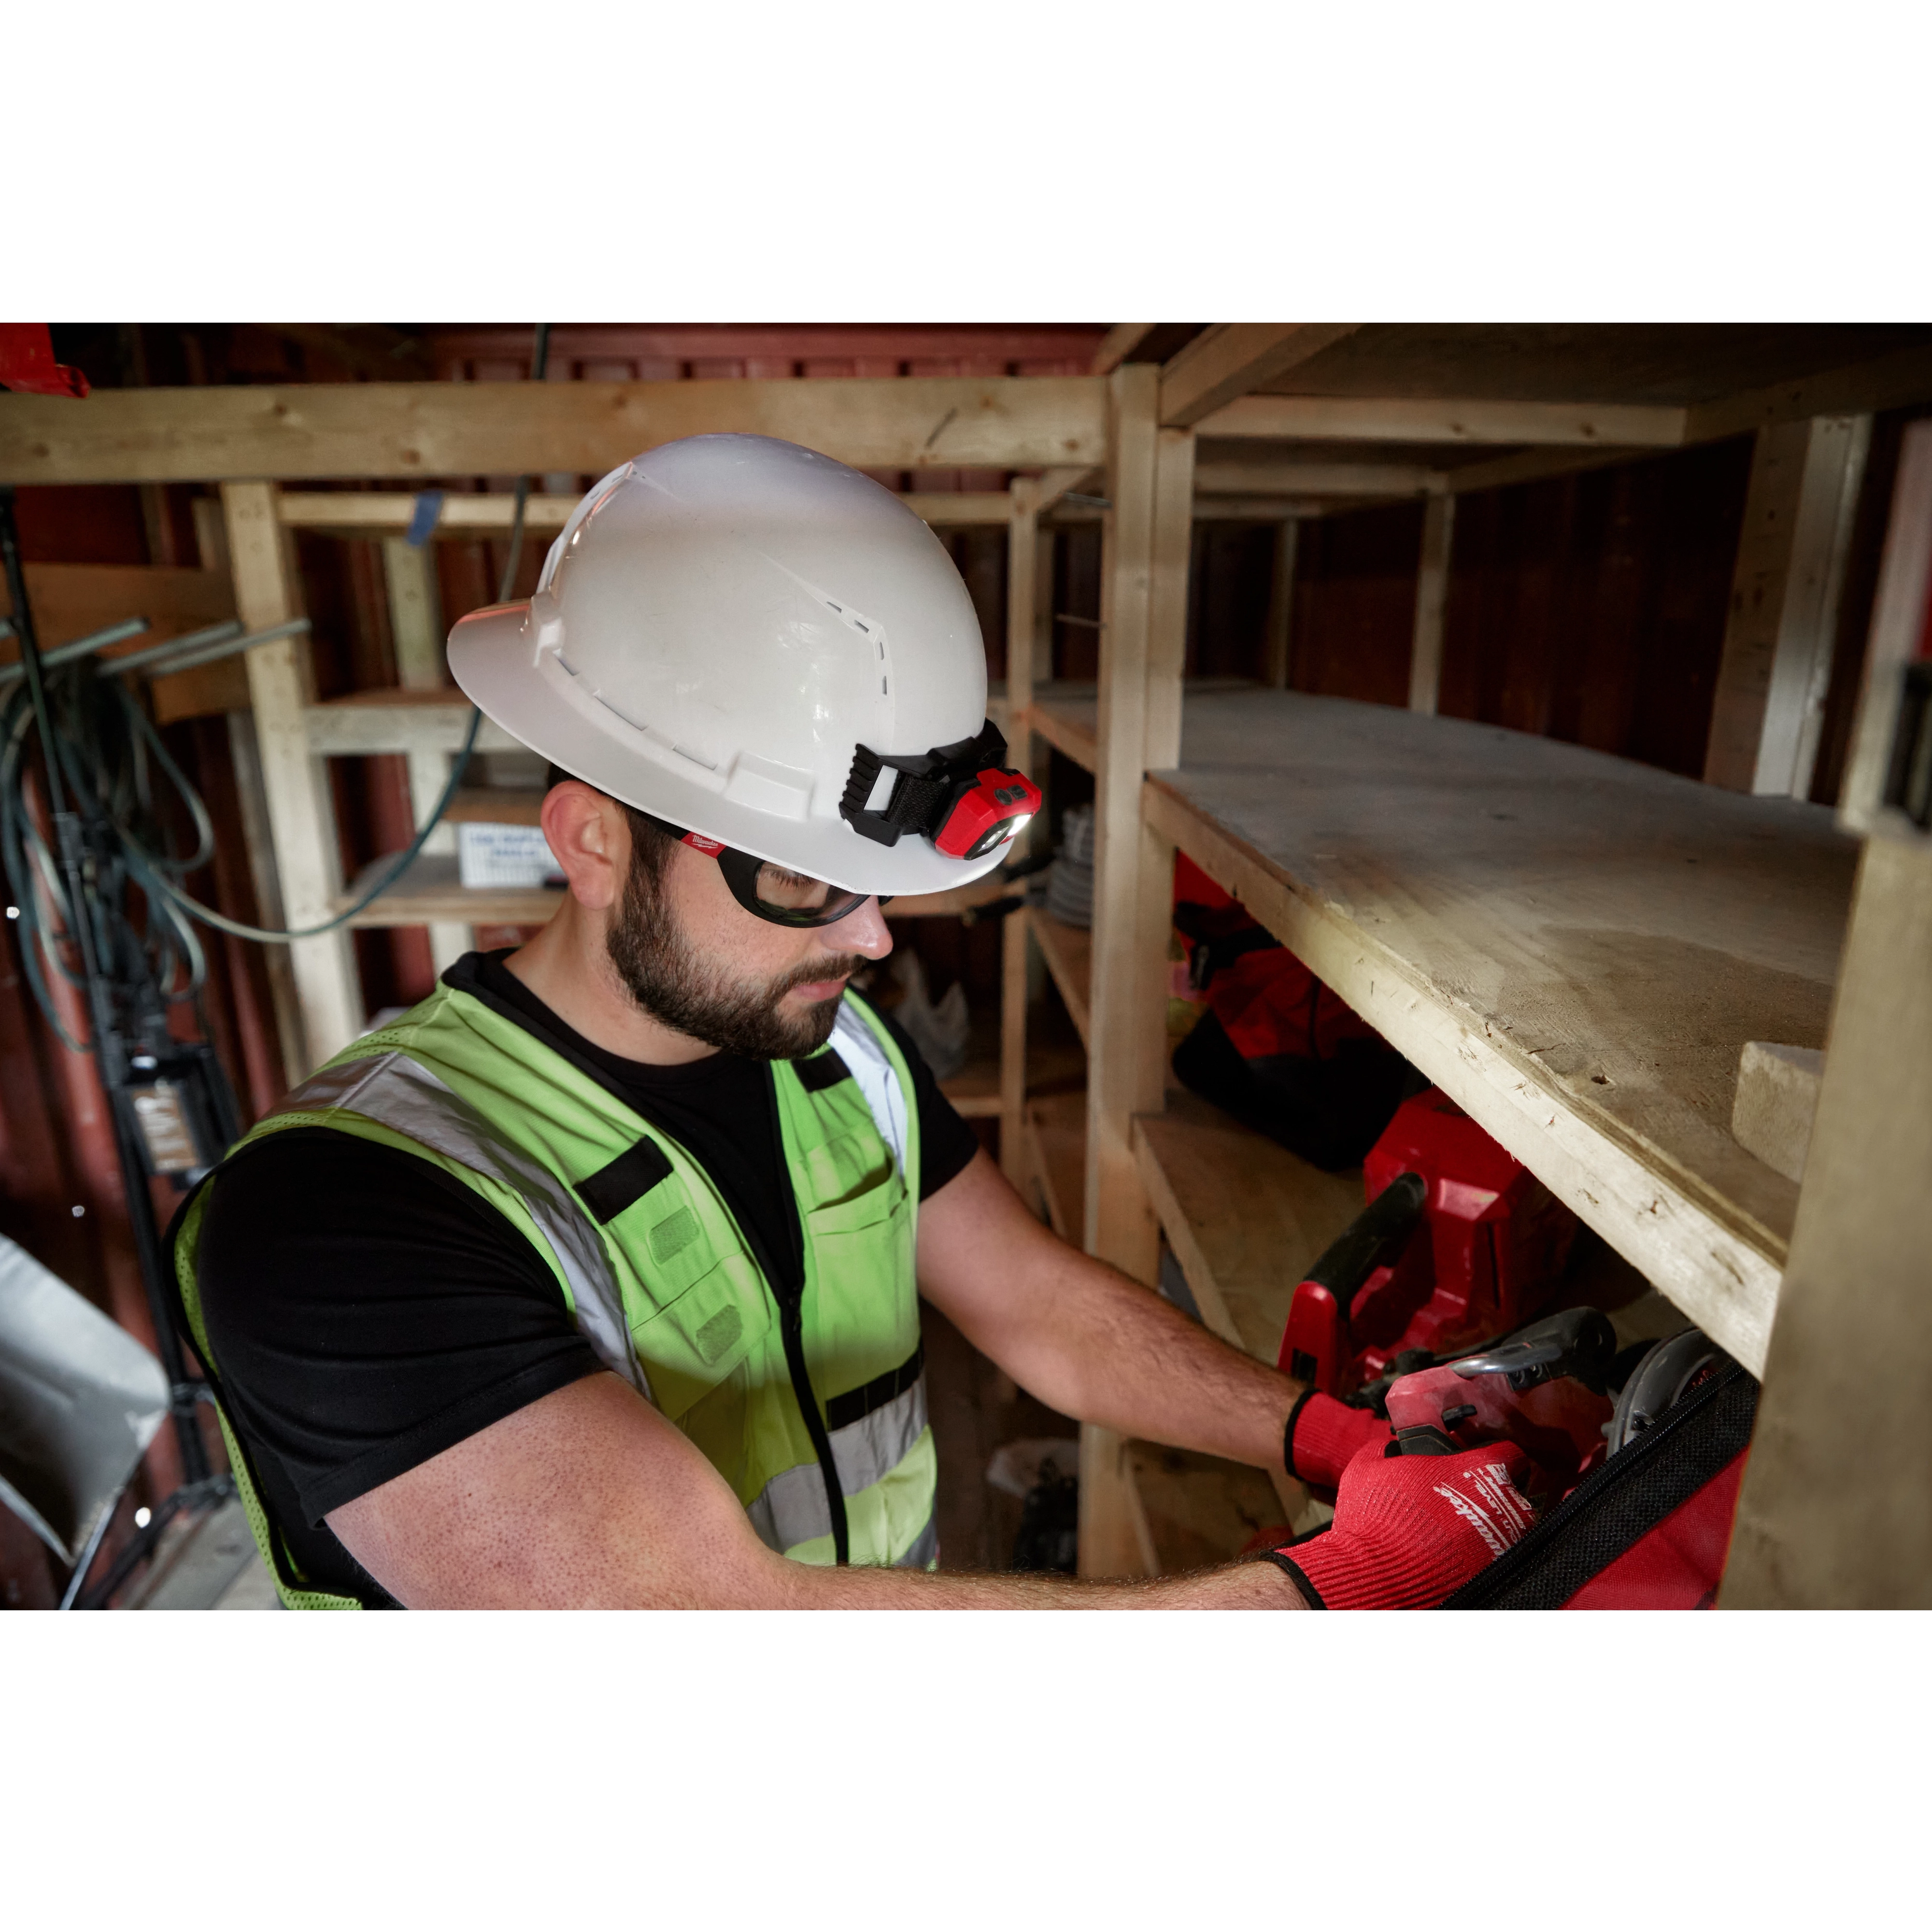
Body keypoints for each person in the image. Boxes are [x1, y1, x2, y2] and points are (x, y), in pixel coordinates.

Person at [171, 435, 1534, 1609]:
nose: (873, 937)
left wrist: (1325, 1435)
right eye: (806, 881)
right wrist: (1347, 1584)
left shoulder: (835, 1053)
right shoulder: (332, 1216)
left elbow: (1036, 1309)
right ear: (592, 841)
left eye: (881, 885)